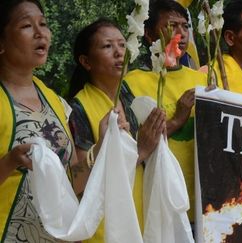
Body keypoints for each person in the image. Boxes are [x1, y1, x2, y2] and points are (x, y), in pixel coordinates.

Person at [68, 19, 166, 241]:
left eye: (122, 45)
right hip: (105, 228)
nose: (119, 53)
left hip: (139, 215)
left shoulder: (130, 98)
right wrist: (140, 152)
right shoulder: (78, 108)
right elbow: (78, 183)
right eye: (107, 46)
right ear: (86, 61)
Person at [0, 0, 78, 241]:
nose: (40, 32)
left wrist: (105, 142)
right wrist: (10, 161)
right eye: (26, 25)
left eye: (43, 24)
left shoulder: (53, 100)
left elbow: (72, 176)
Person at [124, 0, 207, 223]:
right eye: (172, 26)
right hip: (162, 205)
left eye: (185, 26)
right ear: (150, 35)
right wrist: (178, 118)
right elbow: (135, 146)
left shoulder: (203, 80)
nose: (181, 33)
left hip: (203, 204)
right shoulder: (133, 83)